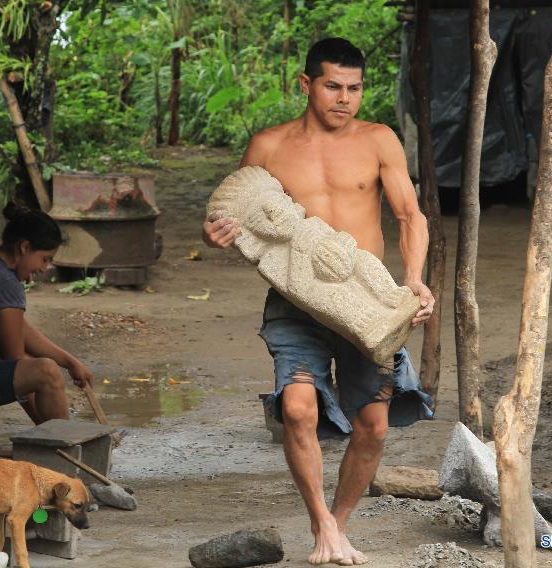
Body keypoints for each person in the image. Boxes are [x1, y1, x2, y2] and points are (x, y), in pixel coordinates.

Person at [203, 38, 434, 566]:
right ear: (306, 84)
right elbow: (234, 211)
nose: (344, 99)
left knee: (373, 424)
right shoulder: (268, 146)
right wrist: (214, 233)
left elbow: (409, 216)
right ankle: (321, 525)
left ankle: (341, 525)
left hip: (365, 302)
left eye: (354, 88)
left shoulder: (379, 140)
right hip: (296, 301)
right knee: (297, 408)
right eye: (333, 86)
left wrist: (414, 280)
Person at [0, 203, 93, 423]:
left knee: (41, 364)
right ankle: (62, 443)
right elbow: (17, 364)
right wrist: (44, 425)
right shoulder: (7, 283)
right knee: (47, 371)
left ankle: (58, 437)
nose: (44, 269)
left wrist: (70, 362)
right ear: (24, 247)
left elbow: (21, 330)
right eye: (45, 259)